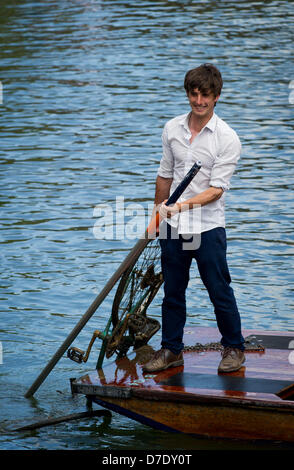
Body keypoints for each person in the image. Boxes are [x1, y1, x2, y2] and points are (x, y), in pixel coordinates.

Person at [143, 63, 245, 374]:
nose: (198, 101)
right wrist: (156, 214)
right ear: (188, 94)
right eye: (194, 94)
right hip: (172, 226)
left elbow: (216, 191)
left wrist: (181, 206)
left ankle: (234, 348)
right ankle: (171, 350)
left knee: (219, 290)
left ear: (217, 97)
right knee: (173, 291)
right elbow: (164, 174)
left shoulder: (227, 138)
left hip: (208, 228)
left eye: (205, 95)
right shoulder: (172, 128)